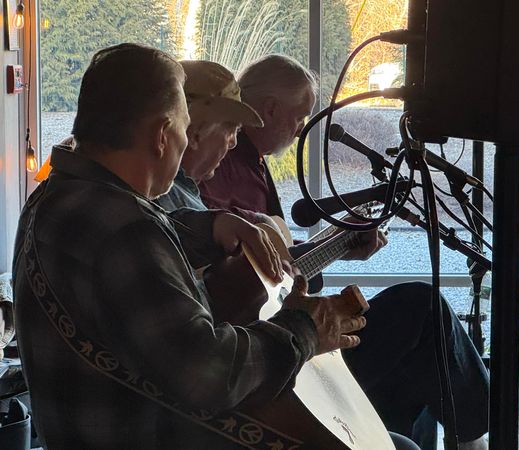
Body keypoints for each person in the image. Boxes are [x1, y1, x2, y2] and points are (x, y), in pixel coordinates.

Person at [12, 44, 417, 450]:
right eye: (184, 127)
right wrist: (304, 330)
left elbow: (145, 243)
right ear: (161, 135)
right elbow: (208, 375)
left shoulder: (54, 197)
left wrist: (212, 225)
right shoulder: (127, 230)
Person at [195, 54, 489, 450]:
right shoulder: (223, 168)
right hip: (282, 355)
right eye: (299, 118)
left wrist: (339, 245)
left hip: (290, 338)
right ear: (270, 109)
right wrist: (329, 247)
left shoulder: (252, 166)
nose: (301, 130)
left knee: (414, 362)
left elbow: (279, 272)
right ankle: (479, 437)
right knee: (421, 308)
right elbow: (236, 281)